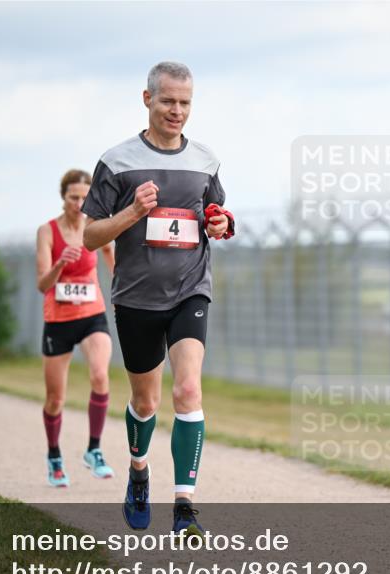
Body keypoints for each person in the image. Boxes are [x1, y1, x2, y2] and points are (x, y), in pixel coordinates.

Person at [82, 61, 233, 534]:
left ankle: (185, 506)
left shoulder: (206, 160)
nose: (177, 111)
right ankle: (139, 471)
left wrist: (221, 223)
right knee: (145, 402)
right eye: (168, 100)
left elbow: (217, 214)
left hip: (190, 290)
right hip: (136, 298)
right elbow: (89, 236)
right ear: (147, 99)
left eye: (185, 102)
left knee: (187, 389)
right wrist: (131, 212)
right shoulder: (117, 161)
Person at [36, 169, 116, 487]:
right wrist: (60, 263)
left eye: (85, 197)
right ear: (63, 197)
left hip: (92, 314)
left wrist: (123, 293)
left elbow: (112, 257)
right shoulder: (47, 232)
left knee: (100, 375)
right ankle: (54, 456)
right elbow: (42, 283)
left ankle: (94, 450)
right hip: (58, 320)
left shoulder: (95, 227)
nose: (80, 203)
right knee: (56, 398)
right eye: (74, 197)